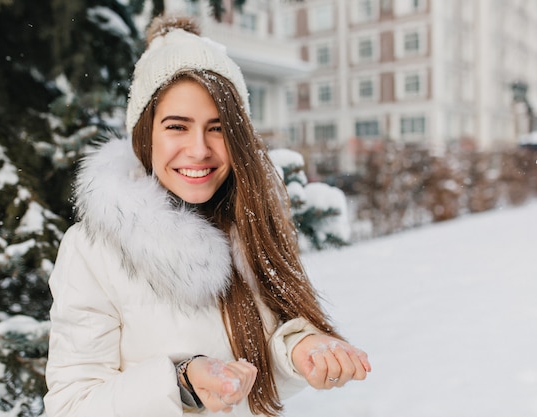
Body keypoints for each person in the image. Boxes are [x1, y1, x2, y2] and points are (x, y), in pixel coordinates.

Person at [44, 15, 371, 417]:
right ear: (145, 134)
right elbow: (70, 405)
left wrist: (298, 350)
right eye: (177, 127)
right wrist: (179, 384)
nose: (199, 149)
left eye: (217, 129)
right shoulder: (93, 248)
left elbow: (255, 372)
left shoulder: (249, 227)